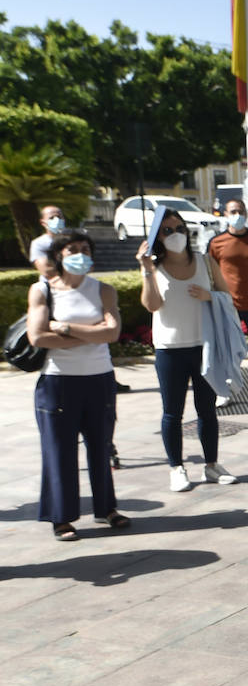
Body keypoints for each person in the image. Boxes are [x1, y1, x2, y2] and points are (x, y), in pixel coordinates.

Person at [26, 231, 128, 541]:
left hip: (99, 379)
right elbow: (38, 337)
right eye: (73, 249)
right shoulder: (42, 290)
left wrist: (66, 328)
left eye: (85, 248)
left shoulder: (103, 290)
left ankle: (106, 509)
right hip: (58, 381)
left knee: (100, 447)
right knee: (59, 452)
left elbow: (111, 334)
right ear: (59, 255)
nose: (80, 254)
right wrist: (91, 332)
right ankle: (62, 518)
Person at [138, 208, 239, 493]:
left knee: (206, 409)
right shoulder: (154, 268)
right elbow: (152, 305)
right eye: (168, 230)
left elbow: (227, 295)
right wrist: (146, 269)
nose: (175, 235)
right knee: (172, 412)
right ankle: (176, 468)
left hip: (203, 345)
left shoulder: (205, 262)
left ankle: (212, 465)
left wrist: (210, 296)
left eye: (179, 228)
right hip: (170, 349)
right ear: (158, 236)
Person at [206, 197, 248, 373]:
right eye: (233, 211)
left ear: (246, 214)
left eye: (241, 211)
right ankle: (226, 388)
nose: (237, 215)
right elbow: (211, 272)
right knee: (227, 348)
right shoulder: (216, 243)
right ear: (225, 214)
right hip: (228, 304)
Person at [29, 206, 66, 279]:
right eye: (51, 218)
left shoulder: (74, 241)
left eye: (59, 217)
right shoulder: (38, 243)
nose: (57, 220)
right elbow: (47, 271)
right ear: (43, 222)